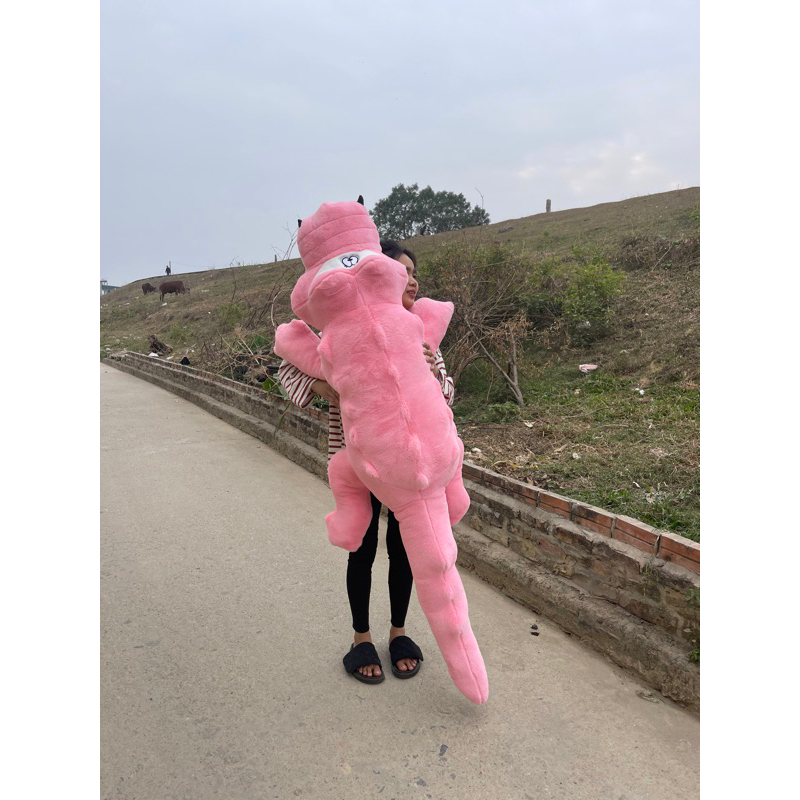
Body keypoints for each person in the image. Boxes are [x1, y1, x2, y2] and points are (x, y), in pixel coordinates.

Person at [277, 241, 455, 684]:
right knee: (362, 548)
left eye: (414, 271)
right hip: (357, 462)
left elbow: (448, 396)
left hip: (410, 466)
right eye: (402, 270)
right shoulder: (342, 328)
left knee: (405, 548)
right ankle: (361, 638)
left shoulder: (419, 332)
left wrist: (432, 373)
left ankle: (399, 632)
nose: (411, 280)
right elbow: (287, 370)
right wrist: (322, 388)